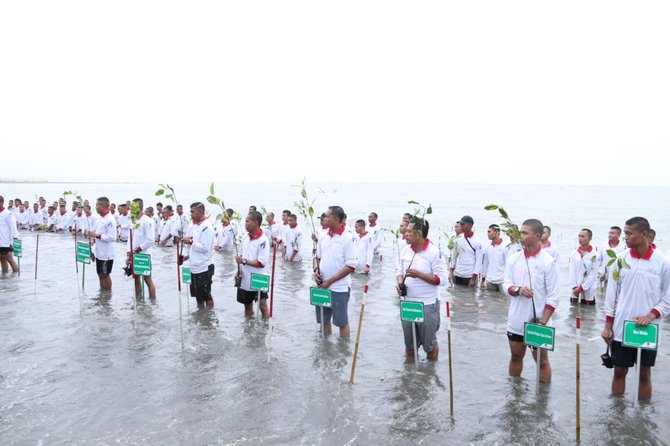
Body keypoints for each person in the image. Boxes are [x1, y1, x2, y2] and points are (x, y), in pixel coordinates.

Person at [601, 217, 670, 400]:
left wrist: (651, 315)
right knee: (619, 371)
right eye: (625, 233)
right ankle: (617, 415)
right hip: (622, 327)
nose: (625, 237)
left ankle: (643, 420)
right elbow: (612, 295)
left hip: (648, 329)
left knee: (644, 374)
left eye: (629, 234)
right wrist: (608, 326)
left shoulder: (662, 262)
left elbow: (667, 297)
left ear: (644, 234)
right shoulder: (620, 260)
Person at [504, 218, 560, 383]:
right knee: (515, 356)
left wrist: (543, 321)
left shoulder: (548, 262)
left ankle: (542, 402)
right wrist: (518, 290)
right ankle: (515, 396)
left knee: (541, 362)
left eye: (525, 233)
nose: (521, 236)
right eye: (520, 232)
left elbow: (554, 296)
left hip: (539, 322)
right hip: (516, 319)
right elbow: (506, 284)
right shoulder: (514, 258)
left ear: (537, 235)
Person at [396, 216, 448, 359]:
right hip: (407, 305)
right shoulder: (406, 250)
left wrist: (419, 274)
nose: (405, 234)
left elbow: (442, 280)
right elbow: (400, 272)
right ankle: (412, 377)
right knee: (410, 347)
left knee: (429, 347)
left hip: (427, 304)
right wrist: (399, 283)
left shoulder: (434, 252)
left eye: (409, 232)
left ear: (419, 233)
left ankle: (428, 376)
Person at [314, 206, 356, 336]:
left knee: (341, 322)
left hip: (339, 288)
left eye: (326, 216)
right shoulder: (323, 235)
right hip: (322, 286)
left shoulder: (348, 238)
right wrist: (317, 272)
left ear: (336, 219)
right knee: (324, 320)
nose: (323, 219)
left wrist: (330, 281)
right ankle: (326, 350)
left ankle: (343, 353)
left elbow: (351, 266)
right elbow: (318, 257)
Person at [235, 211, 270, 316]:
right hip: (246, 277)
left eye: (247, 221)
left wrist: (244, 261)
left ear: (255, 222)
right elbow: (241, 256)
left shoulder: (263, 240)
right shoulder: (245, 237)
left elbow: (261, 263)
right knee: (247, 307)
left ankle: (265, 331)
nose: (245, 223)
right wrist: (239, 271)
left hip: (259, 278)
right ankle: (249, 331)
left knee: (263, 306)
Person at [181, 202, 216, 308]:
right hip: (194, 266)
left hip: (204, 267)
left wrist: (190, 242)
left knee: (207, 296)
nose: (190, 214)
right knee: (197, 295)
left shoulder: (207, 227)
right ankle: (200, 316)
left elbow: (206, 248)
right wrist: (187, 255)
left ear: (200, 212)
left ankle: (209, 319)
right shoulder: (192, 225)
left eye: (192, 212)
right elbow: (192, 244)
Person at [84, 197, 116, 290]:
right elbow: (94, 232)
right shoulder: (99, 218)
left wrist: (97, 236)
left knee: (105, 275)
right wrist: (88, 234)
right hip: (99, 252)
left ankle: (107, 296)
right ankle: (102, 295)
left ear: (103, 206)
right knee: (100, 274)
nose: (96, 207)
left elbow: (112, 237)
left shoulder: (110, 219)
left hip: (107, 253)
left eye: (97, 205)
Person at [126, 198, 156, 298]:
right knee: (136, 278)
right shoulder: (133, 221)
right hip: (133, 255)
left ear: (139, 208)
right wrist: (128, 252)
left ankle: (153, 303)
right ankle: (138, 301)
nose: (131, 210)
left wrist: (138, 249)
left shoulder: (148, 221)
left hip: (144, 255)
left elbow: (150, 240)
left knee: (147, 280)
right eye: (131, 208)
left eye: (133, 208)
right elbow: (130, 238)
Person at [568, 228, 601, 305]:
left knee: (588, 313)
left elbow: (593, 274)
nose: (580, 238)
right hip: (575, 288)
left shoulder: (595, 255)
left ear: (590, 238)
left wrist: (582, 288)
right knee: (573, 312)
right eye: (579, 236)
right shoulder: (574, 253)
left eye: (583, 236)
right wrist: (574, 287)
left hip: (588, 289)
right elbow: (571, 271)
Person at [451, 215, 483, 287]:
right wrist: (452, 272)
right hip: (458, 273)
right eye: (460, 224)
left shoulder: (477, 241)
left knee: (469, 297)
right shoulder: (457, 239)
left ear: (470, 225)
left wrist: (474, 277)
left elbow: (479, 260)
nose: (461, 226)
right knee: (457, 296)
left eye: (463, 224)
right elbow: (454, 256)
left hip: (470, 275)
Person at [481, 224, 506, 292]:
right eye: (487, 232)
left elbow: (508, 264)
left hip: (502, 281)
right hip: (490, 280)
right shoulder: (488, 247)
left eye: (489, 232)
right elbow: (485, 264)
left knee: (504, 301)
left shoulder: (505, 246)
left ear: (496, 232)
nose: (487, 234)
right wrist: (483, 279)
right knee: (491, 301)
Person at [0, 196, 19, 273]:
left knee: (10, 259)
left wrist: (15, 238)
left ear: (1, 203)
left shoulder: (8, 213)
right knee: (1, 259)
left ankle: (15, 276)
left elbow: (13, 226)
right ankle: (5, 277)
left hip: (5, 241)